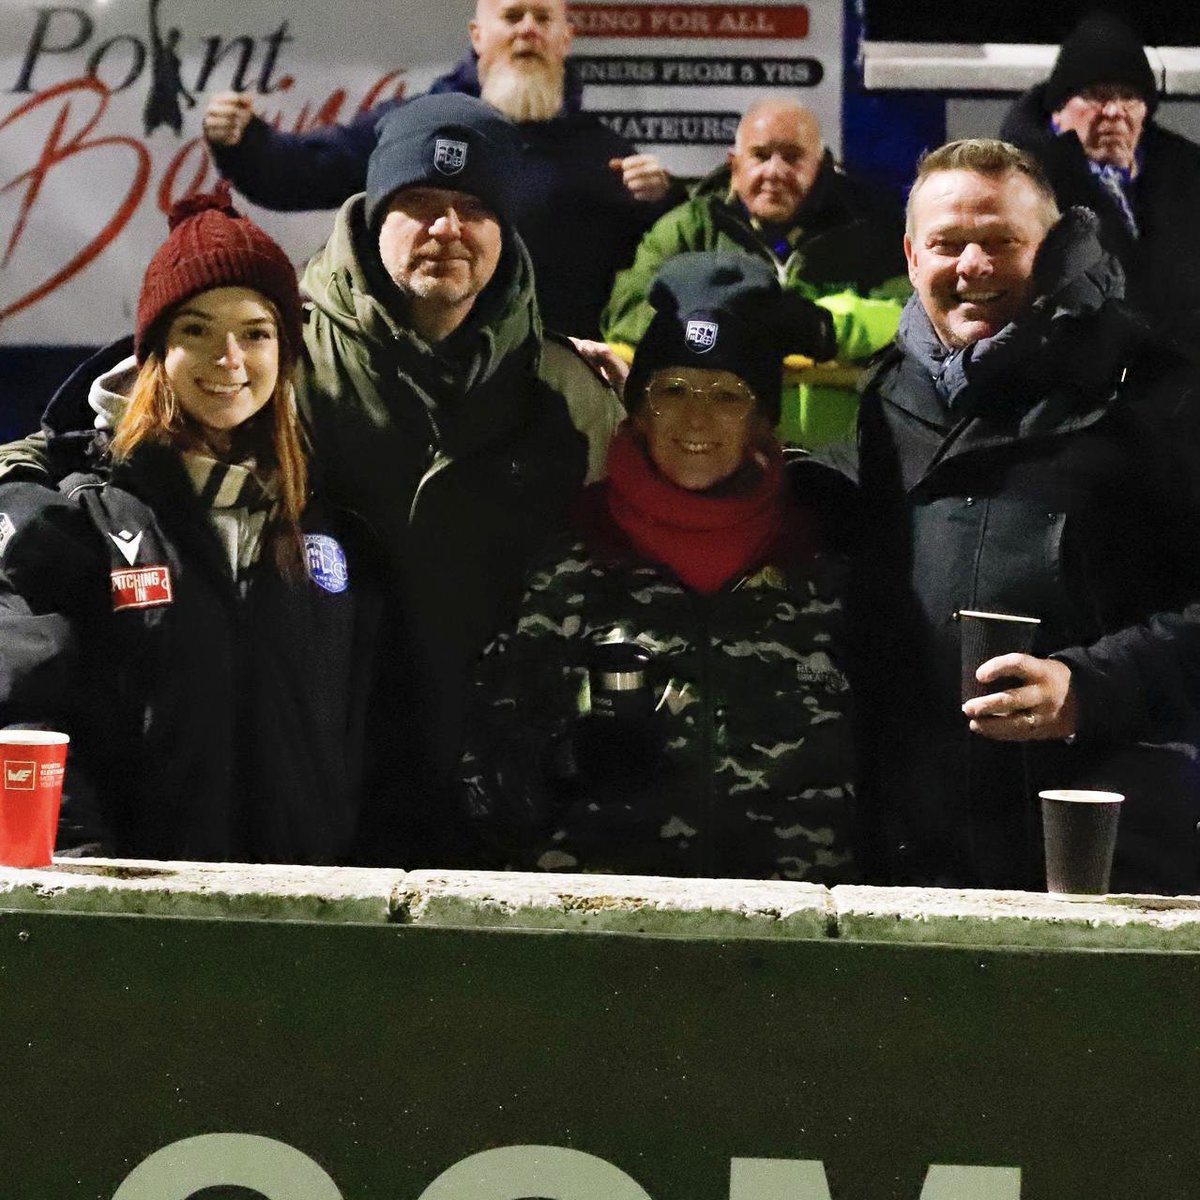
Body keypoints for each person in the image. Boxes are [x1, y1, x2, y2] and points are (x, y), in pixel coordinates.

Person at [0, 93, 624, 864]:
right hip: (305, 808)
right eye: (419, 202)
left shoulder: (567, 391)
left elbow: (643, 520)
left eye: (474, 207)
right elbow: (111, 425)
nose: (447, 229)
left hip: (495, 799)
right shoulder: (284, 349)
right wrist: (16, 489)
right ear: (373, 210)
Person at [840, 137, 1200, 895]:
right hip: (920, 852)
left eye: (1000, 241)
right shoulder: (882, 401)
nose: (972, 266)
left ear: (1051, 245)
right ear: (911, 256)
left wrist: (1089, 687)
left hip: (1109, 840)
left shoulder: (1153, 388)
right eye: (947, 243)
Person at [0, 187, 383, 863]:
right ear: (155, 354)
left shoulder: (334, 526)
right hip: (133, 913)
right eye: (196, 330)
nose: (228, 358)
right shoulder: (80, 516)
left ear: (284, 352)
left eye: (255, 332)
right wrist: (86, 874)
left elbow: (373, 731)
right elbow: (25, 714)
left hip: (309, 918)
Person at [458, 252, 859, 880]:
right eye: (671, 390)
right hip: (615, 927)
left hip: (795, 932)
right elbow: (485, 763)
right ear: (638, 412)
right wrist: (561, 763)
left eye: (727, 395)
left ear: (762, 422)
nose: (696, 418)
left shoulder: (823, 565)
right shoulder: (572, 560)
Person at [202, 0, 675, 339]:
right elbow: (305, 173)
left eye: (543, 17)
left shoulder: (605, 151)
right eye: (512, 16)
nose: (527, 29)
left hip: (549, 382)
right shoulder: (414, 126)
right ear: (477, 36)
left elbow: (648, 269)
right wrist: (247, 143)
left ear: (565, 37)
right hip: (415, 365)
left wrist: (660, 199)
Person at [602, 97, 909, 447]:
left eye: (793, 157)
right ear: (734, 165)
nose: (774, 172)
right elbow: (624, 314)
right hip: (717, 456)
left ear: (822, 165)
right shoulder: (687, 230)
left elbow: (910, 315)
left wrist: (824, 326)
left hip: (840, 458)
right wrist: (717, 331)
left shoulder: (868, 231)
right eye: (761, 156)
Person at [1000, 10, 1200, 342]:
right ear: (1059, 109)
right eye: (1097, 95)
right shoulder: (1024, 177)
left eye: (1128, 97)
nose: (1113, 111)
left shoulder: (1184, 173)